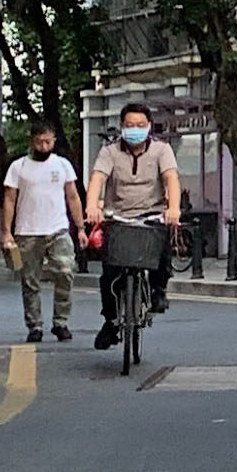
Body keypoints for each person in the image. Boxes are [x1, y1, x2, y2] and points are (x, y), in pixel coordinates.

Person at [85, 106, 181, 350]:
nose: (135, 130)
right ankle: (110, 321)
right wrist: (92, 206)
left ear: (149, 126)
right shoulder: (109, 152)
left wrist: (173, 209)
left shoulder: (162, 150)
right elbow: (97, 179)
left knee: (161, 250)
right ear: (122, 126)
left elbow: (171, 179)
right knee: (109, 274)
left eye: (140, 125)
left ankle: (159, 290)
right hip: (118, 217)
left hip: (151, 215)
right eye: (129, 125)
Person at [0, 118, 85, 344]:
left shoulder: (62, 165)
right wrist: (6, 232)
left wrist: (81, 228)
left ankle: (61, 322)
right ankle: (34, 325)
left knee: (65, 271)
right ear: (32, 141)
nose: (44, 146)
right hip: (27, 231)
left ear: (54, 140)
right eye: (39, 142)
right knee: (30, 281)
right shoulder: (18, 167)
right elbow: (9, 200)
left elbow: (72, 196)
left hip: (58, 229)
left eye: (48, 142)